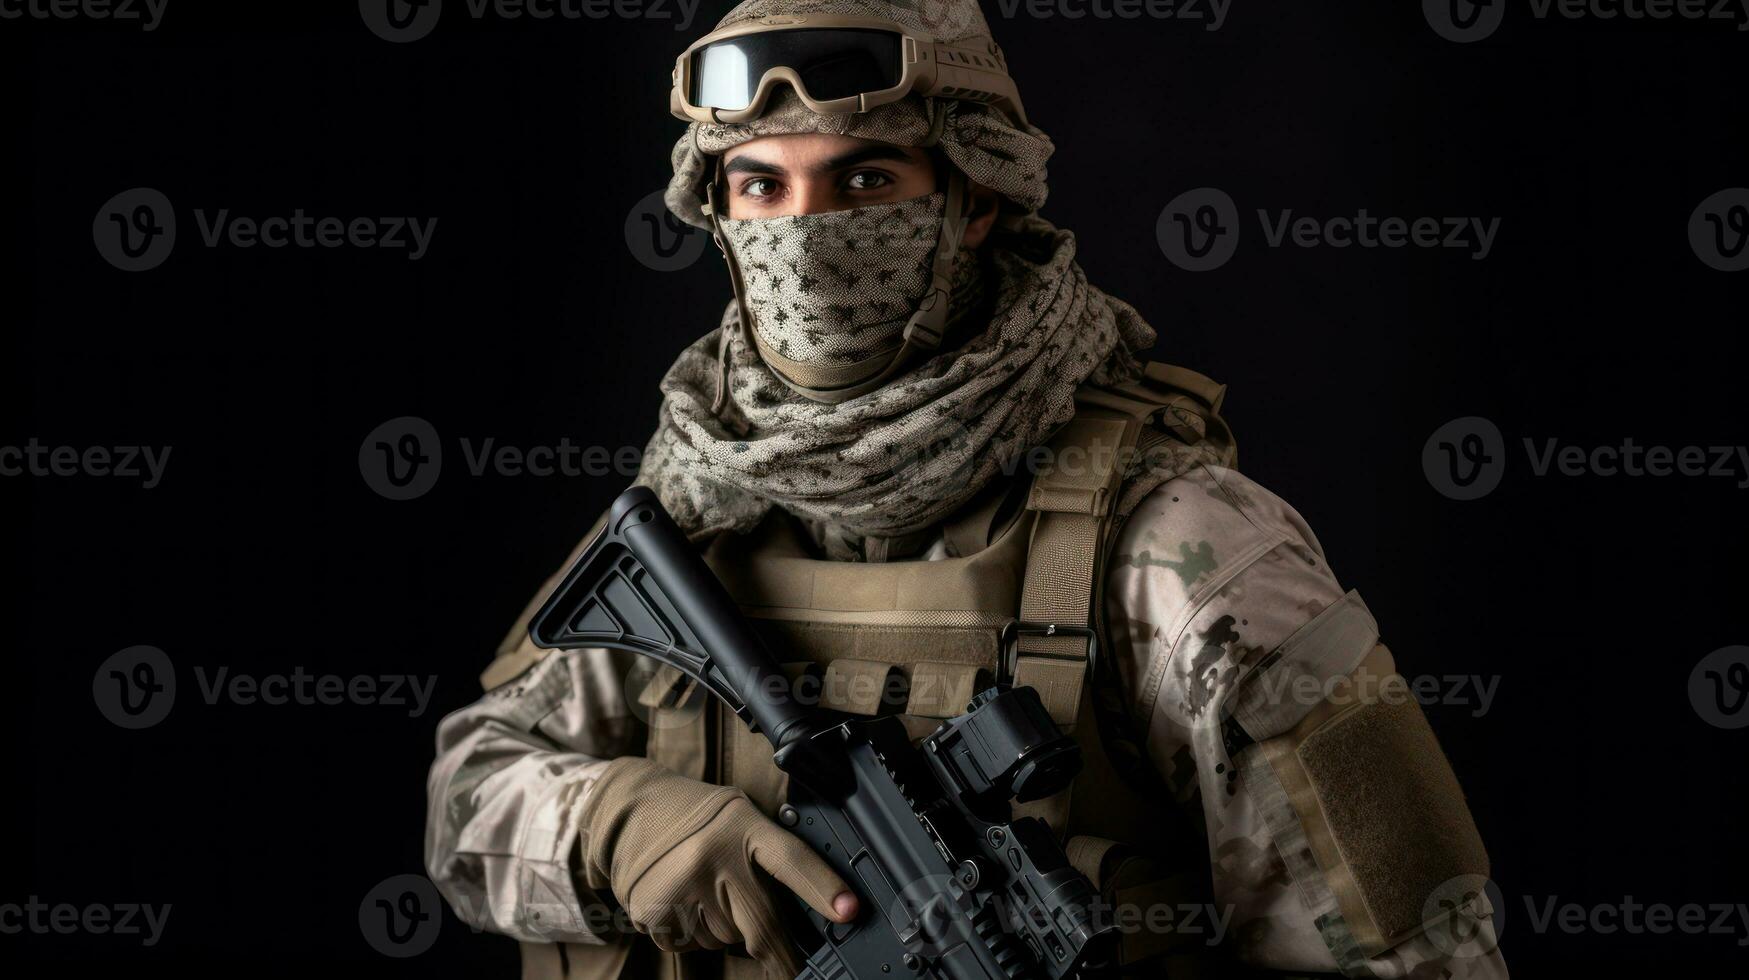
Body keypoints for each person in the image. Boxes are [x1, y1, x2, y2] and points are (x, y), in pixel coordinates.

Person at [426, 2, 1510, 977]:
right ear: (716, 212)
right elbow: (464, 796)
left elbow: (1417, 949)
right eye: (761, 185)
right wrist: (616, 822)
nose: (804, 236)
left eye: (865, 181)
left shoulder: (1177, 542)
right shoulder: (700, 494)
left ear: (975, 200)